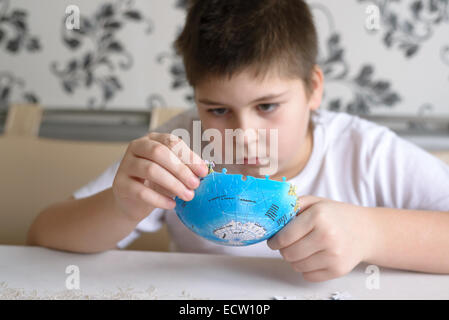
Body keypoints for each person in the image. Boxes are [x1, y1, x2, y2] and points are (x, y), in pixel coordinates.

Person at [27, 0, 449, 282]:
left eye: (267, 106)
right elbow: (42, 234)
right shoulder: (183, 145)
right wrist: (121, 206)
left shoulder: (366, 153)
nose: (243, 136)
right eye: (217, 110)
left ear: (313, 88)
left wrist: (372, 233)